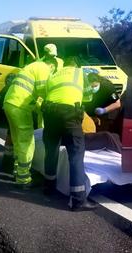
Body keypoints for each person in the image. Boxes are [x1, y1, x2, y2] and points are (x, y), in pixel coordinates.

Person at [42, 56, 97, 211]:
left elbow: (48, 93)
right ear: (77, 65)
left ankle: (49, 187)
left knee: (51, 150)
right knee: (76, 153)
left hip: (50, 111)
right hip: (69, 114)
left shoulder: (54, 75)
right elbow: (87, 95)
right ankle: (79, 199)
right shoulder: (79, 73)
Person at [2, 56, 57, 187]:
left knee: (17, 139)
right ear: (52, 65)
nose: (52, 74)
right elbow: (43, 92)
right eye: (53, 71)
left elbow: (32, 93)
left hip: (10, 103)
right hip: (20, 106)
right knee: (27, 142)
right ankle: (23, 178)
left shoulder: (32, 67)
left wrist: (39, 109)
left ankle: (17, 169)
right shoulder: (44, 68)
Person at [82, 72, 123, 152]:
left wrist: (104, 110)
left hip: (107, 109)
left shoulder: (107, 86)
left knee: (105, 129)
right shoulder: (85, 86)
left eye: (95, 86)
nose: (93, 88)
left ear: (99, 82)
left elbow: (118, 103)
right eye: (92, 86)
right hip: (92, 109)